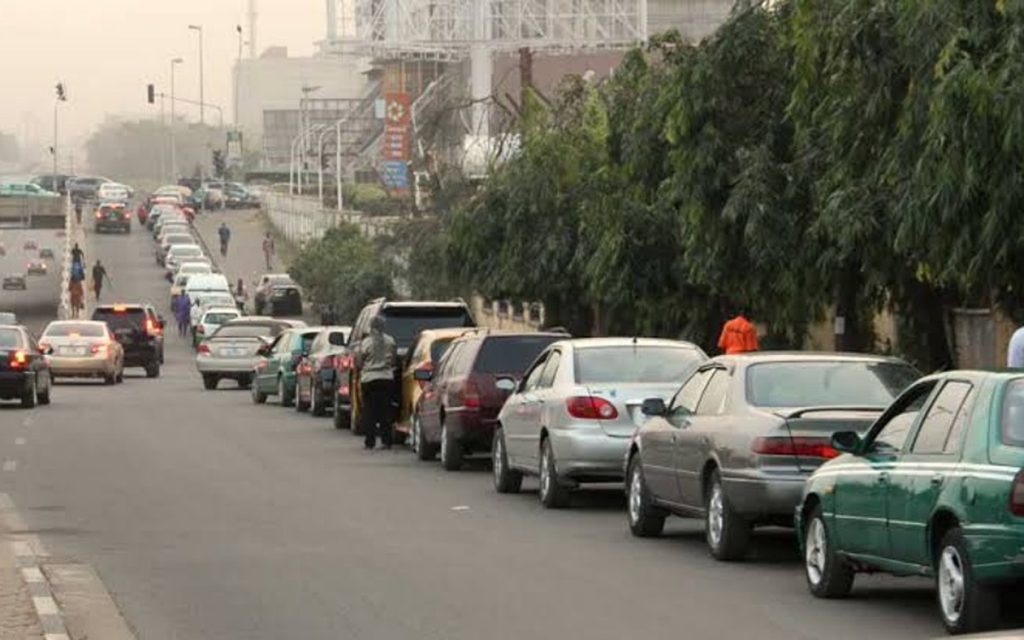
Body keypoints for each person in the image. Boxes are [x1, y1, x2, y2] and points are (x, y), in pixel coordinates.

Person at [353, 315, 398, 450]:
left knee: (369, 411)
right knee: (385, 410)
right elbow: (394, 360)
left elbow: (359, 362)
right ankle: (387, 440)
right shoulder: (391, 341)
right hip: (386, 379)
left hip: (369, 380)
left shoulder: (365, 343)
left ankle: (370, 441)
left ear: (371, 328)